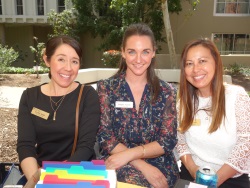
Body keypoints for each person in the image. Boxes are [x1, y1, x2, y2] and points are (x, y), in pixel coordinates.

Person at [96, 23, 179, 188]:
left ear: (153, 52)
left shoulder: (166, 91)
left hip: (159, 162)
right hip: (117, 159)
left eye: (145, 52)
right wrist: (140, 163)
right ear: (123, 52)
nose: (139, 59)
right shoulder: (107, 88)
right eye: (132, 51)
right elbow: (105, 137)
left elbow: (167, 140)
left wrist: (132, 155)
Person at [17, 35, 100, 180]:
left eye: (74, 61)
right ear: (47, 60)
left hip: (77, 172)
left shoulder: (87, 95)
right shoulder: (29, 97)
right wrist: (37, 180)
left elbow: (86, 146)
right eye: (61, 59)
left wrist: (56, 178)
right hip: (39, 173)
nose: (68, 68)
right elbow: (25, 146)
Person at [175, 38, 250, 188]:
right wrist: (194, 170)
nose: (196, 69)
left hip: (230, 178)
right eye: (189, 64)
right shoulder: (184, 102)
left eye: (202, 61)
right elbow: (180, 141)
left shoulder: (236, 96)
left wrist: (213, 181)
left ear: (216, 62)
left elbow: (245, 144)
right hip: (192, 176)